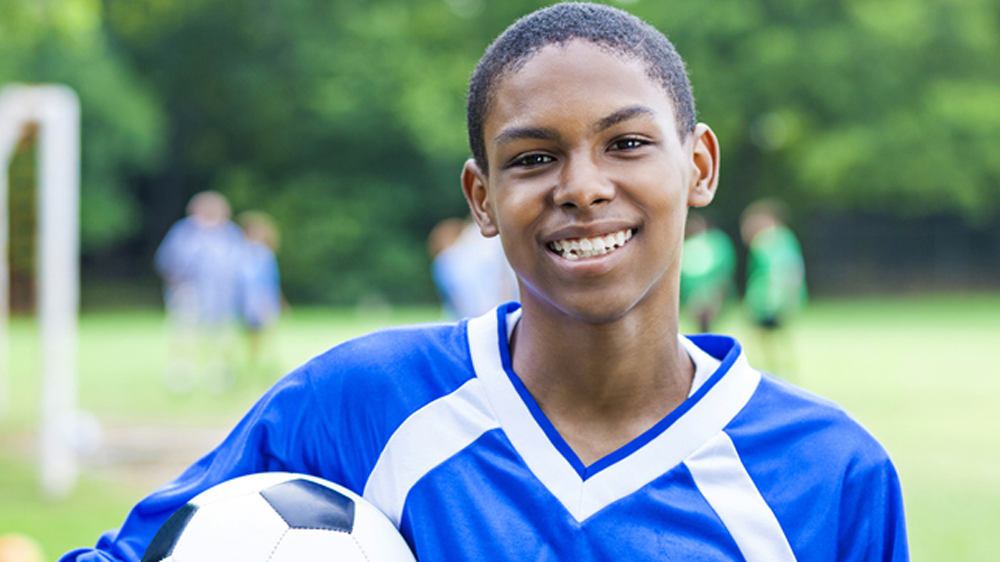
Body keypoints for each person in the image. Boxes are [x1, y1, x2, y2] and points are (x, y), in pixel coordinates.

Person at [62, 4, 907, 561]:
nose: (581, 186)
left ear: (699, 165)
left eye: (627, 144)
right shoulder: (355, 406)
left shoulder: (832, 478)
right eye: (534, 158)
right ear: (483, 199)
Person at [153, 191, 245, 393]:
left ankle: (218, 377)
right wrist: (179, 287)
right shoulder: (183, 232)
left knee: (220, 339)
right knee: (184, 337)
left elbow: (240, 267)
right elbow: (166, 261)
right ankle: (181, 378)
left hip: (222, 297)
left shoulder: (230, 234)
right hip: (189, 293)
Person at [741, 198, 808, 375]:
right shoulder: (764, 241)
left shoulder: (777, 239)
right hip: (761, 297)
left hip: (773, 298)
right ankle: (772, 367)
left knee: (775, 334)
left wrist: (788, 294)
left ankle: (780, 368)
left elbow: (791, 267)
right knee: (762, 335)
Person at [427, 216, 518, 319]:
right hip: (498, 310)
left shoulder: (444, 262)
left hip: (474, 316)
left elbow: (457, 299)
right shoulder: (451, 259)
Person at [235, 210, 283, 381]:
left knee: (263, 336)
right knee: (245, 335)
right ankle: (245, 366)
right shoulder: (240, 253)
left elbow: (271, 281)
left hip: (263, 300)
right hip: (244, 301)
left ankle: (261, 367)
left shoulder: (264, 254)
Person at [680, 211, 737, 333]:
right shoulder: (688, 246)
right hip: (694, 292)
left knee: (711, 321)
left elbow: (724, 266)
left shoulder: (716, 241)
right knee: (699, 323)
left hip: (713, 289)